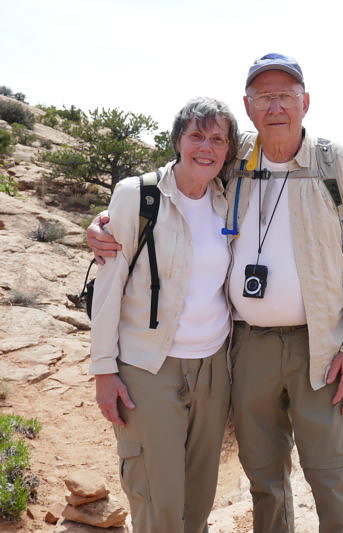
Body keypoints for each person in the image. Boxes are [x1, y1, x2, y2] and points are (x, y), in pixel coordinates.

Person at [88, 53, 343, 532]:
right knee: (264, 477)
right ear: (248, 106)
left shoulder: (335, 164)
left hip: (322, 344)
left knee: (333, 474)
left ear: (305, 102)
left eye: (286, 95)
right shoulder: (234, 160)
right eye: (264, 96)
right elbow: (175, 181)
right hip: (246, 347)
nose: (276, 106)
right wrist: (101, 224)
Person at [89, 97, 239, 532]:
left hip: (213, 366)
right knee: (158, 497)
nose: (206, 148)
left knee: (199, 495)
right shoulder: (138, 195)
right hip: (148, 367)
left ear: (228, 149)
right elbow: (109, 286)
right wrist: (103, 370)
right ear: (177, 140)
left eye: (217, 139)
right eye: (196, 136)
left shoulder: (227, 201)